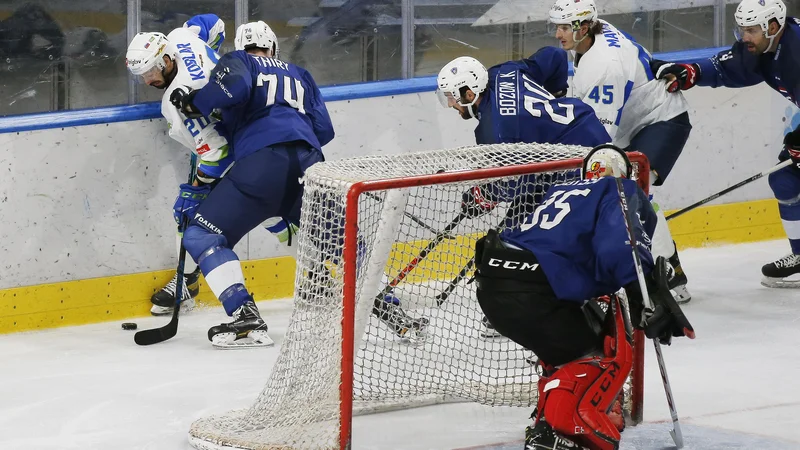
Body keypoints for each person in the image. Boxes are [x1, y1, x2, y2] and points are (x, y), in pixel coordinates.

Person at [474, 144, 694, 450]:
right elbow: (620, 246)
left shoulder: (560, 190)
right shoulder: (620, 187)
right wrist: (639, 291)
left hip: (494, 283)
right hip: (535, 287)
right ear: (626, 173)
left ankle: (547, 418)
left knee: (566, 344)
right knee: (602, 353)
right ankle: (562, 430)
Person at [169, 21, 335, 348]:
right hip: (310, 164)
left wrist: (195, 103)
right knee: (343, 244)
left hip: (262, 164)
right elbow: (324, 129)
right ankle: (391, 309)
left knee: (201, 235)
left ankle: (244, 314)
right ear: (273, 47)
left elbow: (235, 87)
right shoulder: (300, 73)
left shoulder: (241, 60)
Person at [435, 46, 611, 337]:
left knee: (537, 235)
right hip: (584, 138)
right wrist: (555, 94)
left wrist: (485, 195)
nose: (452, 105)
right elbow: (555, 56)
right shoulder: (504, 72)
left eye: (453, 98)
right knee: (516, 227)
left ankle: (559, 302)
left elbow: (513, 183)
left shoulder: (494, 131)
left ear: (469, 93)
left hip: (575, 163)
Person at [549, 0, 694, 304]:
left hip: (661, 121)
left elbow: (600, 141)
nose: (557, 34)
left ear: (584, 27)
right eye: (557, 26)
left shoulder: (605, 66)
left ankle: (666, 272)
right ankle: (670, 269)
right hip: (636, 123)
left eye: (564, 27)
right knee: (630, 194)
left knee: (632, 193)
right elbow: (644, 61)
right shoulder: (599, 35)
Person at [649, 0, 800, 288]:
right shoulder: (763, 46)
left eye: (751, 30)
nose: (744, 37)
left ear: (773, 26)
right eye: (742, 30)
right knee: (785, 179)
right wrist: (693, 71)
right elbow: (730, 67)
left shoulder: (797, 51)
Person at [125, 15, 231, 316]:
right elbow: (212, 22)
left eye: (150, 73)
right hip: (242, 132)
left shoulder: (176, 99)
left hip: (239, 148)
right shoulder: (181, 37)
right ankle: (186, 280)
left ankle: (186, 282)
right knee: (274, 214)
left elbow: (216, 153)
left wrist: (196, 189)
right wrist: (214, 65)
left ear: (167, 60)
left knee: (189, 212)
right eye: (141, 76)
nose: (147, 82)